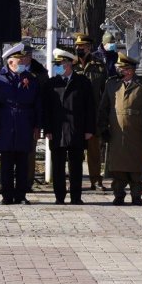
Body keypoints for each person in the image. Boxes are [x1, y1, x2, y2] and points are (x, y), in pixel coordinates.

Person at [0, 43, 43, 205]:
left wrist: (37, 126)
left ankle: (21, 194)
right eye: (20, 60)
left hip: (25, 123)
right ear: (11, 61)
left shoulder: (31, 79)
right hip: (5, 124)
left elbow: (37, 104)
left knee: (23, 162)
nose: (24, 62)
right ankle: (6, 194)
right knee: (6, 162)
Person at [98, 53, 142, 205]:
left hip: (136, 133)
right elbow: (103, 108)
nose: (119, 71)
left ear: (130, 70)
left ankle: (136, 195)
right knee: (118, 167)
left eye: (122, 68)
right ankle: (118, 195)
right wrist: (103, 129)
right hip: (116, 132)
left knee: (136, 166)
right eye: (119, 68)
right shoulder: (112, 84)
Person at [44, 48, 96, 205]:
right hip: (57, 131)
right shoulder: (51, 83)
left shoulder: (83, 82)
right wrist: (47, 129)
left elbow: (90, 108)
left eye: (60, 64)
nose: (57, 67)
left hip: (77, 130)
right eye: (56, 64)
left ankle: (76, 196)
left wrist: (89, 129)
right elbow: (46, 110)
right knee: (58, 166)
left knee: (76, 166)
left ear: (68, 64)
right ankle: (59, 196)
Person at [73, 34, 108, 190]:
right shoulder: (71, 65)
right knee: (75, 151)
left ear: (89, 48)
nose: (79, 49)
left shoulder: (99, 66)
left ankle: (96, 180)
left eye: (83, 46)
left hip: (93, 114)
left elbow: (105, 91)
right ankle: (76, 180)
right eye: (78, 46)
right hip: (75, 115)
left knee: (94, 150)